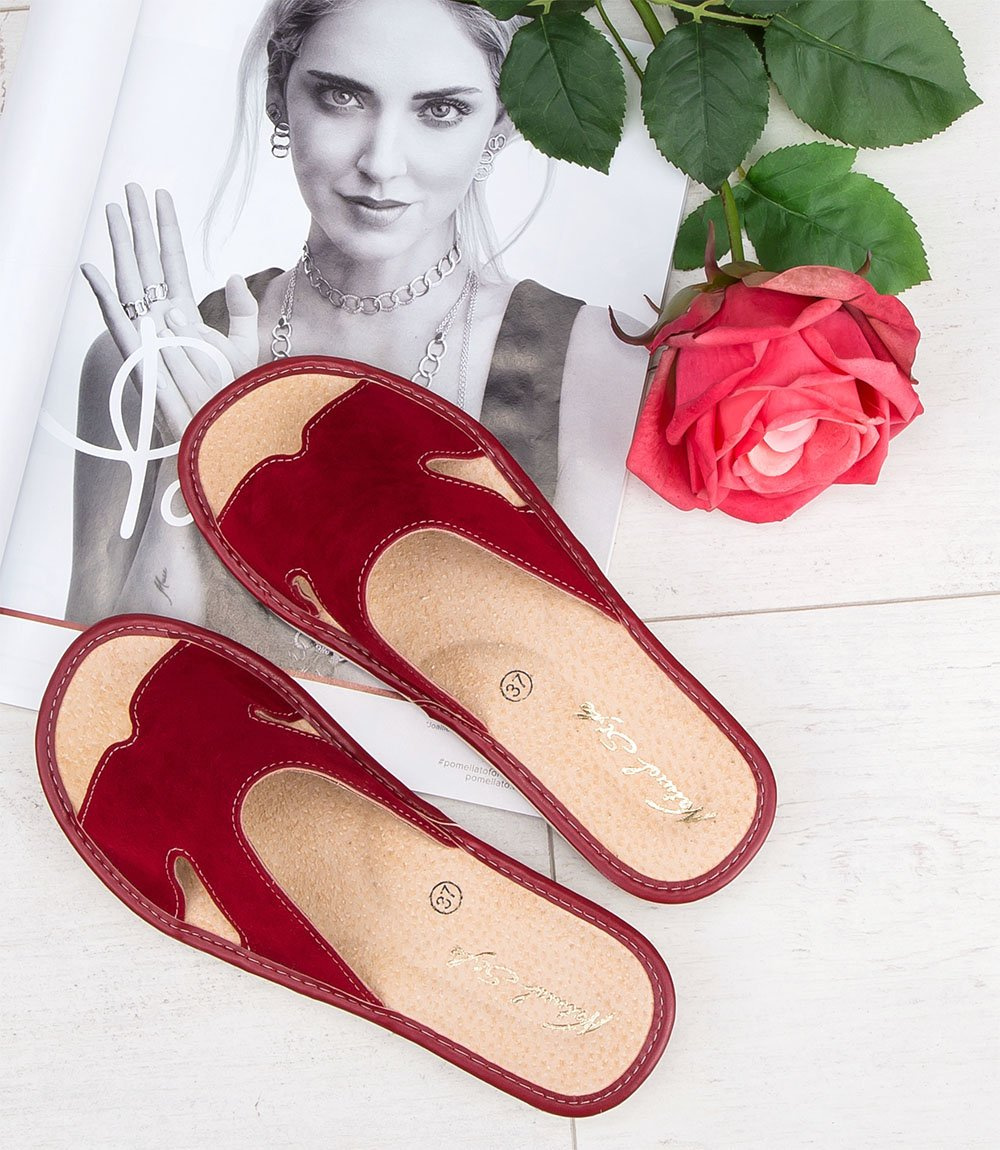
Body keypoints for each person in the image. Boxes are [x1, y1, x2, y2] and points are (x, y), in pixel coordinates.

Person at [67, 0, 647, 676]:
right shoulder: (149, 361)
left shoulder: (597, 365)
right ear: (279, 94)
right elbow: (98, 694)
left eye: (440, 110)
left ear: (500, 122)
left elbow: (579, 699)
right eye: (342, 97)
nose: (381, 162)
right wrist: (193, 469)